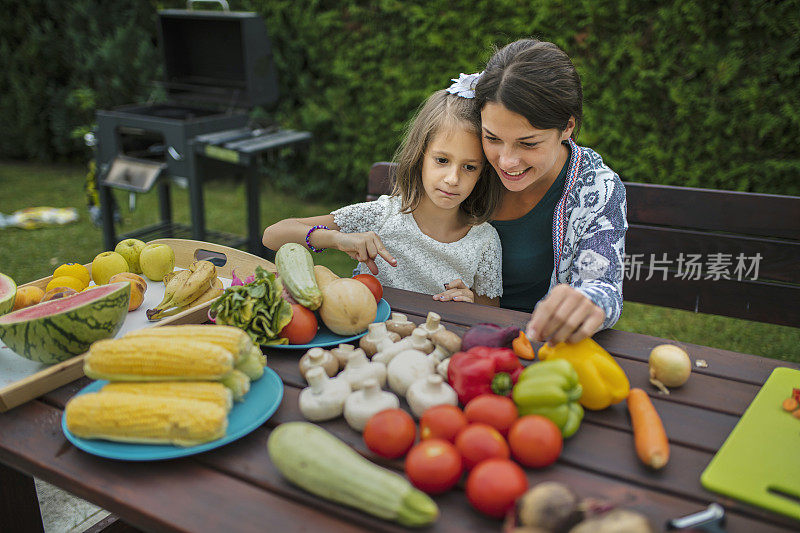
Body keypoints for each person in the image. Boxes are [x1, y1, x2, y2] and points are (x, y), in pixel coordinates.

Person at [262, 84, 504, 305]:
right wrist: (336, 239)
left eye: (469, 167)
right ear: (420, 156)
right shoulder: (382, 215)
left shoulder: (484, 241)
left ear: (483, 172)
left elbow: (490, 312)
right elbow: (273, 235)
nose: (453, 178)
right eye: (442, 160)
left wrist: (470, 302)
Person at [454, 39, 627, 344]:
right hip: (454, 329)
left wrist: (590, 301)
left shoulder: (597, 188)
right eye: (492, 138)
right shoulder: (467, 162)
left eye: (528, 143)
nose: (506, 161)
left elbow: (602, 285)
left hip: (540, 344)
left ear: (568, 127)